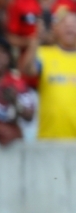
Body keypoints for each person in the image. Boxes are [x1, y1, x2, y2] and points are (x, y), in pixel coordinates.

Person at [24, 10, 76, 140]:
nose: (70, 27)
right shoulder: (44, 54)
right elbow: (27, 70)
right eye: (64, 24)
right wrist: (36, 39)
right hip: (49, 137)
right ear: (56, 29)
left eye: (74, 24)